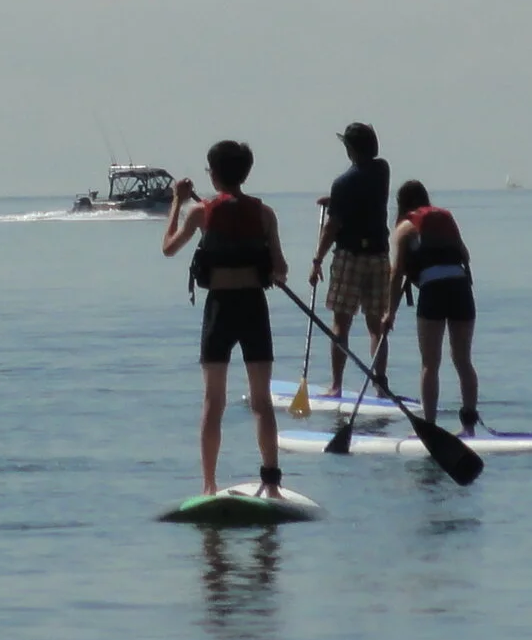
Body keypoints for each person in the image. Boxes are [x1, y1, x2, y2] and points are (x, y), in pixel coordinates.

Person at [161, 140, 289, 499]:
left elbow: (168, 247)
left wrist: (177, 201)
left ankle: (209, 485)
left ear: (213, 175)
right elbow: (280, 268)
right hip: (253, 307)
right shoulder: (265, 214)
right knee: (262, 402)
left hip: (219, 309)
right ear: (245, 173)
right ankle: (272, 483)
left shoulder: (201, 212)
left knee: (213, 401)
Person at [385, 179, 479, 431]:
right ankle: (469, 424)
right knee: (463, 360)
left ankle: (429, 426)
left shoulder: (405, 228)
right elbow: (465, 256)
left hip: (434, 291)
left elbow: (396, 274)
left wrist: (389, 313)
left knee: (430, 363)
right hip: (461, 288)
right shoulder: (445, 221)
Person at [309, 122, 390, 399]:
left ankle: (336, 385)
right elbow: (363, 194)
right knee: (376, 324)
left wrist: (317, 259)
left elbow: (333, 226)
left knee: (341, 323)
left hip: (350, 257)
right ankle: (380, 384)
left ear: (351, 149)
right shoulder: (382, 171)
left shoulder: (343, 183)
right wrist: (334, 199)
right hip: (379, 255)